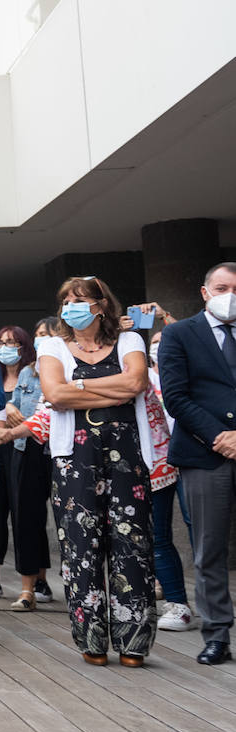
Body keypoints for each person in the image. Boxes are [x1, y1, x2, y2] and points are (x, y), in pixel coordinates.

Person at [37, 275, 154, 667]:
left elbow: (136, 382)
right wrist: (111, 387)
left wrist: (80, 387)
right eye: (66, 299)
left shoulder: (130, 341)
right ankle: (92, 640)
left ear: (101, 305)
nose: (70, 304)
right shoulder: (53, 345)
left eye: (80, 298)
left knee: (131, 544)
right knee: (80, 546)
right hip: (75, 456)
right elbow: (54, 394)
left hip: (126, 452)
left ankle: (133, 641)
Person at [158, 261, 236, 665]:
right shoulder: (179, 333)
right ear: (206, 293)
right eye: (222, 287)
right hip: (205, 454)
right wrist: (221, 437)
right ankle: (217, 634)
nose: (230, 296)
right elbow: (175, 395)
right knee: (209, 549)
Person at [0, 324, 53, 612]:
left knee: (27, 516)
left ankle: (34, 582)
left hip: (26, 451)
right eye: (1, 342)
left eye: (12, 342)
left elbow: (39, 416)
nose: (6, 347)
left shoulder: (34, 374)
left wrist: (14, 411)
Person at [145, 327, 194, 631]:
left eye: (165, 341)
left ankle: (214, 603)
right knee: (158, 536)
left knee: (200, 532)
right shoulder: (140, 374)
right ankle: (178, 605)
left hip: (194, 458)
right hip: (157, 462)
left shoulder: (192, 371)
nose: (159, 348)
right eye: (154, 342)